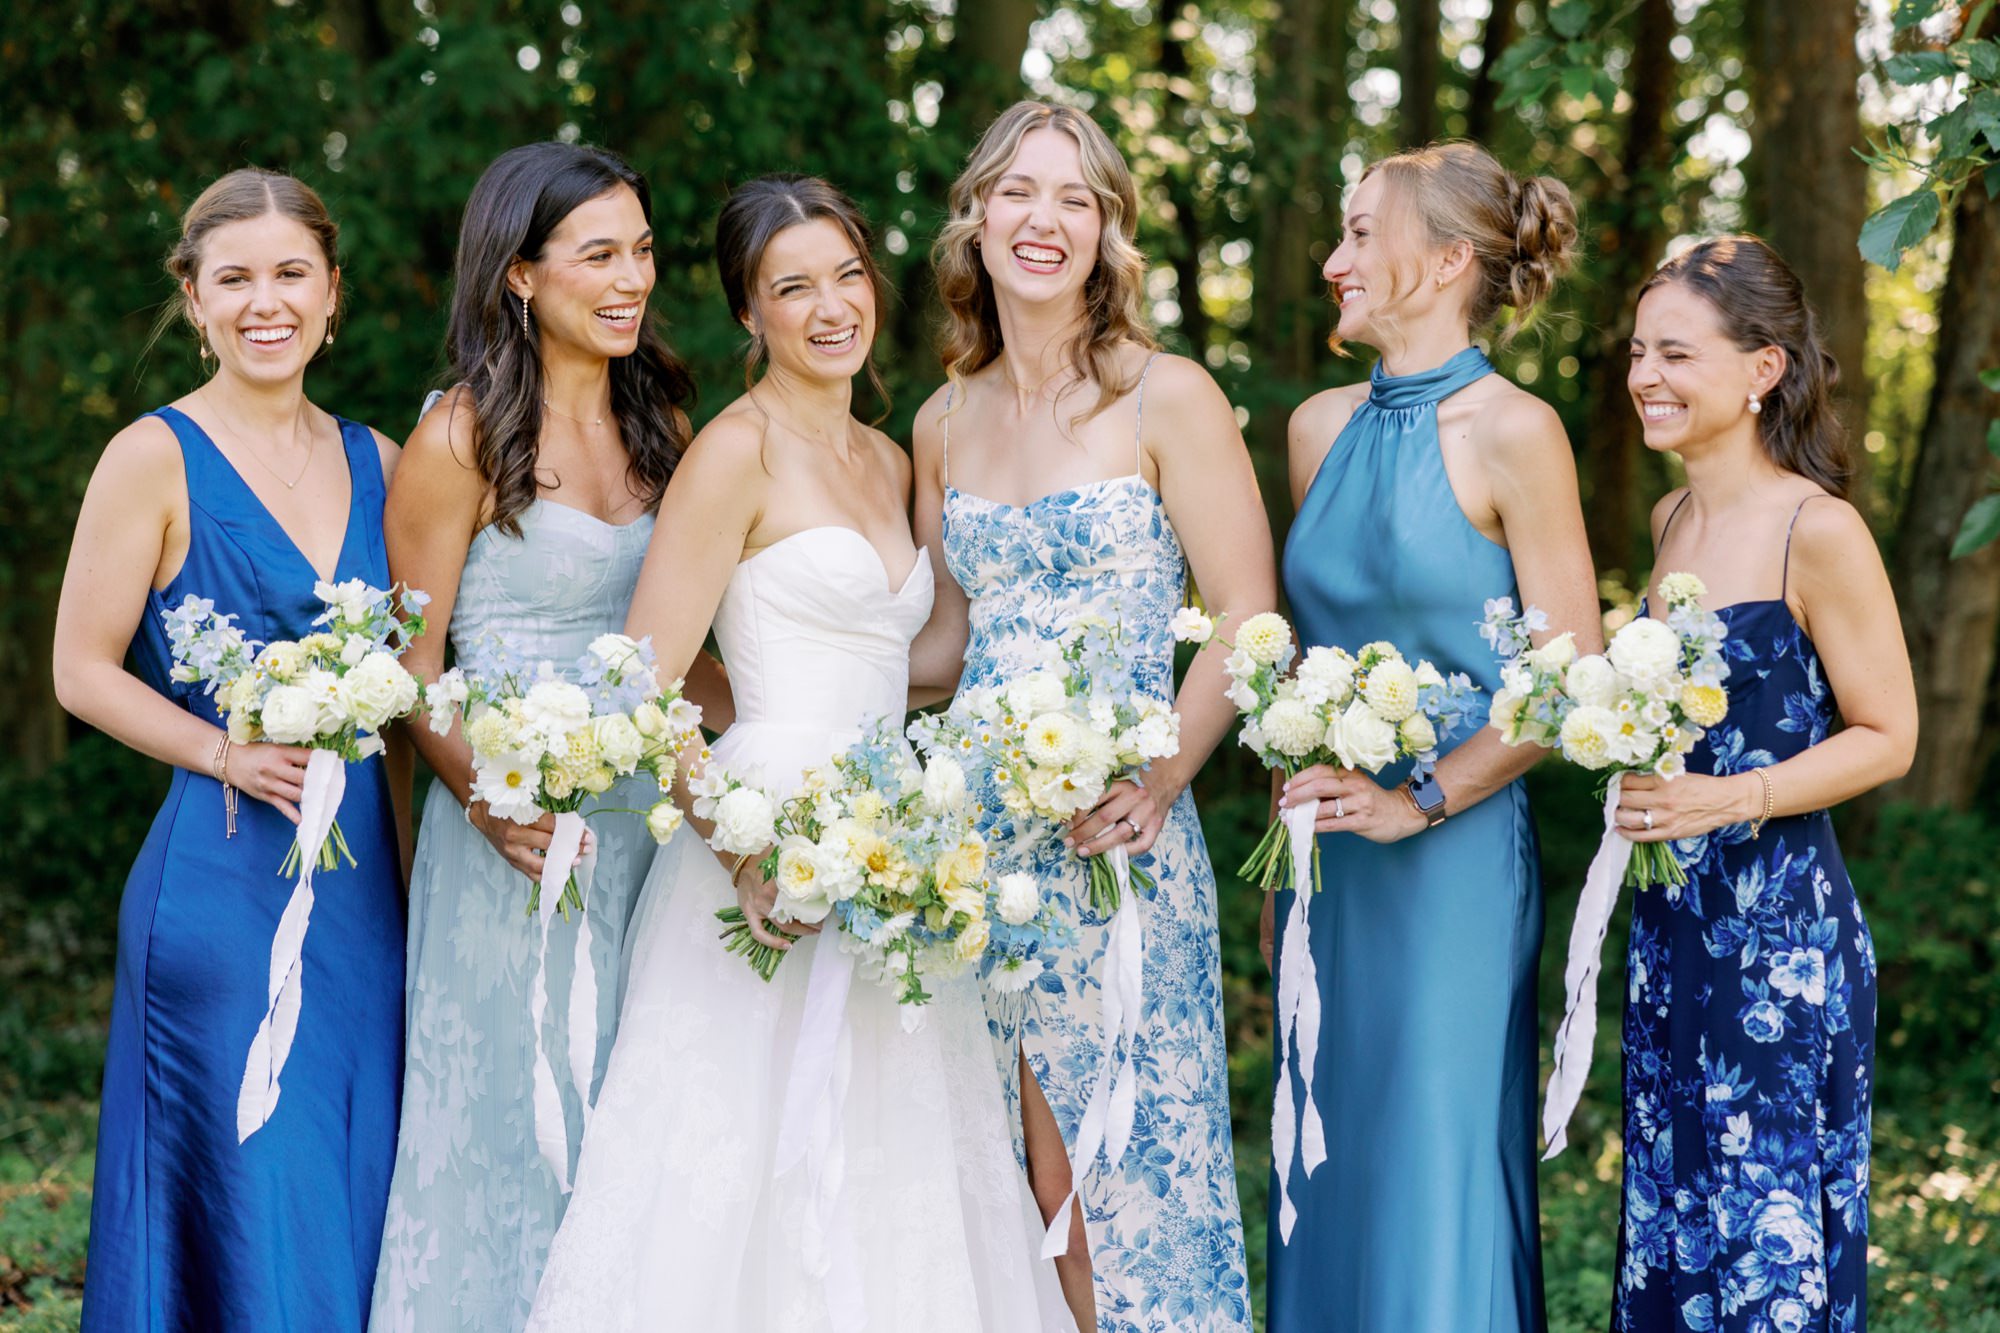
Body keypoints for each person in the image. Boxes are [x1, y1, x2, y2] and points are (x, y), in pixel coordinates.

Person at [527, 175, 1063, 1332]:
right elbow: (640, 678)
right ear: (748, 312)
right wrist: (741, 851)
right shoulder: (735, 452)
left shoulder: (890, 456)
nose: (830, 307)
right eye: (792, 287)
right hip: (762, 828)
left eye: (847, 276)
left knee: (898, 1155)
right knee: (737, 1163)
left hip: (898, 840)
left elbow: (921, 657)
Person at [910, 100, 1269, 1331]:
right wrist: (768, 688)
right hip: (975, 853)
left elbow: (1245, 614)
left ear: (1108, 230)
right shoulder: (940, 419)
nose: (1042, 219)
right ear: (976, 217)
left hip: (1117, 837)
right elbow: (943, 646)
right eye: (1017, 191)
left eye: (1074, 197)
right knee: (1002, 1167)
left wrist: (1160, 778)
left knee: (1117, 1170)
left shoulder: (1168, 396)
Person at [53, 167, 404, 1331]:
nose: (267, 301)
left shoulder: (382, 461)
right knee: (250, 1193)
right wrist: (222, 753)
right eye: (235, 278)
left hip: (364, 894)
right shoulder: (151, 457)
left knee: (350, 1187)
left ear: (332, 292)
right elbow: (81, 669)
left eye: (291, 273)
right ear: (194, 298)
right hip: (218, 881)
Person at [368, 141, 710, 1333]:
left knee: (635, 1133)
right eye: (598, 254)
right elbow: (412, 667)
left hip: (647, 838)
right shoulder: (460, 437)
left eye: (643, 251)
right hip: (507, 846)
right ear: (518, 273)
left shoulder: (662, 424)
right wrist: (485, 797)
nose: (632, 279)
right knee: (513, 1130)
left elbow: (689, 651)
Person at [1269, 141, 1597, 1331]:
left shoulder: (1515, 430)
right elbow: (1302, 651)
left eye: (1362, 234)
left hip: (1451, 859)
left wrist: (1419, 797)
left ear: (1450, 260)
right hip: (1327, 865)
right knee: (1328, 1160)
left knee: (1428, 1165)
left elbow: (1565, 677)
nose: (1332, 260)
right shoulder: (1314, 428)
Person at [1610, 234, 1913, 1333]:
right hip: (1669, 927)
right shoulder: (1669, 521)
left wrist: (1731, 798)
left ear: (1762, 367)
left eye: (1675, 353)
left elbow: (1889, 735)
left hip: (1778, 941)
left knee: (1764, 1245)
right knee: (1674, 1221)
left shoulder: (1815, 529)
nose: (1645, 375)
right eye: (1637, 351)